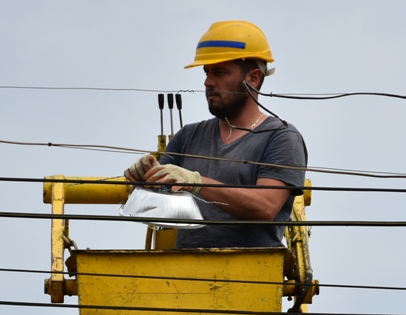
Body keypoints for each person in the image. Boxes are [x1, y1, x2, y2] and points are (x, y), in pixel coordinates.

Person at [123, 21, 307, 248]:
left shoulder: (280, 137)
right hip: (184, 275)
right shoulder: (188, 136)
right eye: (207, 72)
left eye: (220, 72)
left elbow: (265, 207)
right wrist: (143, 181)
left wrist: (196, 182)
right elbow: (158, 210)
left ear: (254, 78)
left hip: (253, 276)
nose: (208, 82)